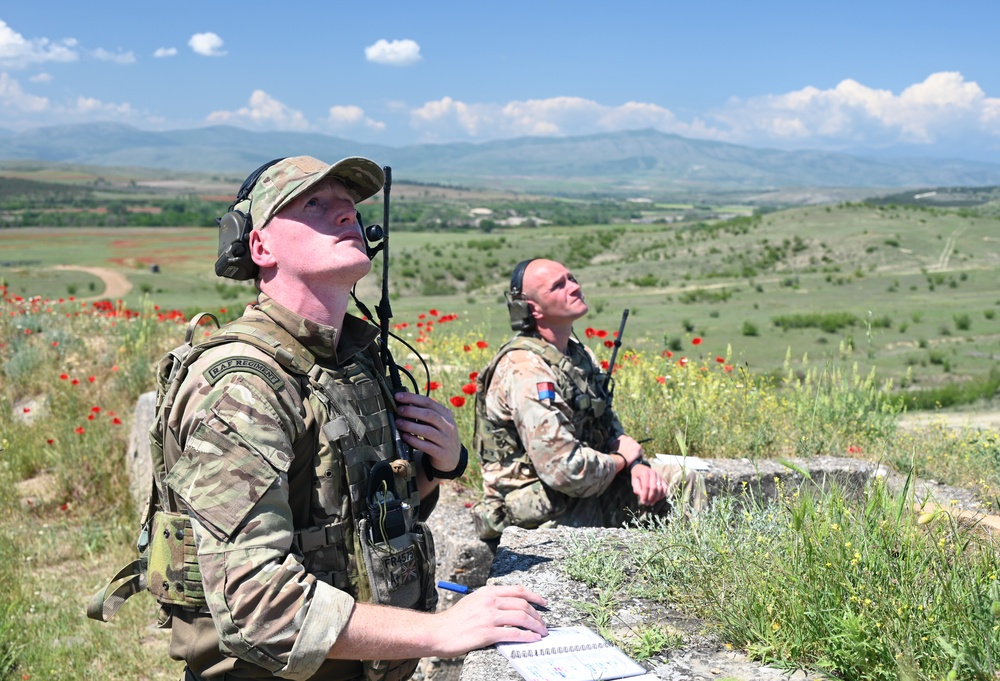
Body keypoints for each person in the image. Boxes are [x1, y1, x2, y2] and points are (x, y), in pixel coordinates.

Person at [162, 156, 547, 680]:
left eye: (347, 204)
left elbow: (367, 524)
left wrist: (437, 467)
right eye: (314, 204)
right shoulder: (242, 384)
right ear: (260, 246)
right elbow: (257, 608)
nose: (344, 214)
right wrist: (443, 630)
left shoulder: (354, 364)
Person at [472, 258, 705, 540]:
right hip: (540, 506)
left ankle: (695, 573)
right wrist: (621, 460)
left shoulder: (577, 356)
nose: (574, 287)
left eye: (571, 278)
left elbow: (605, 423)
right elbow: (564, 470)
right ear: (531, 308)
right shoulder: (525, 370)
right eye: (558, 285)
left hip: (582, 490)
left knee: (681, 480)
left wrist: (637, 466)